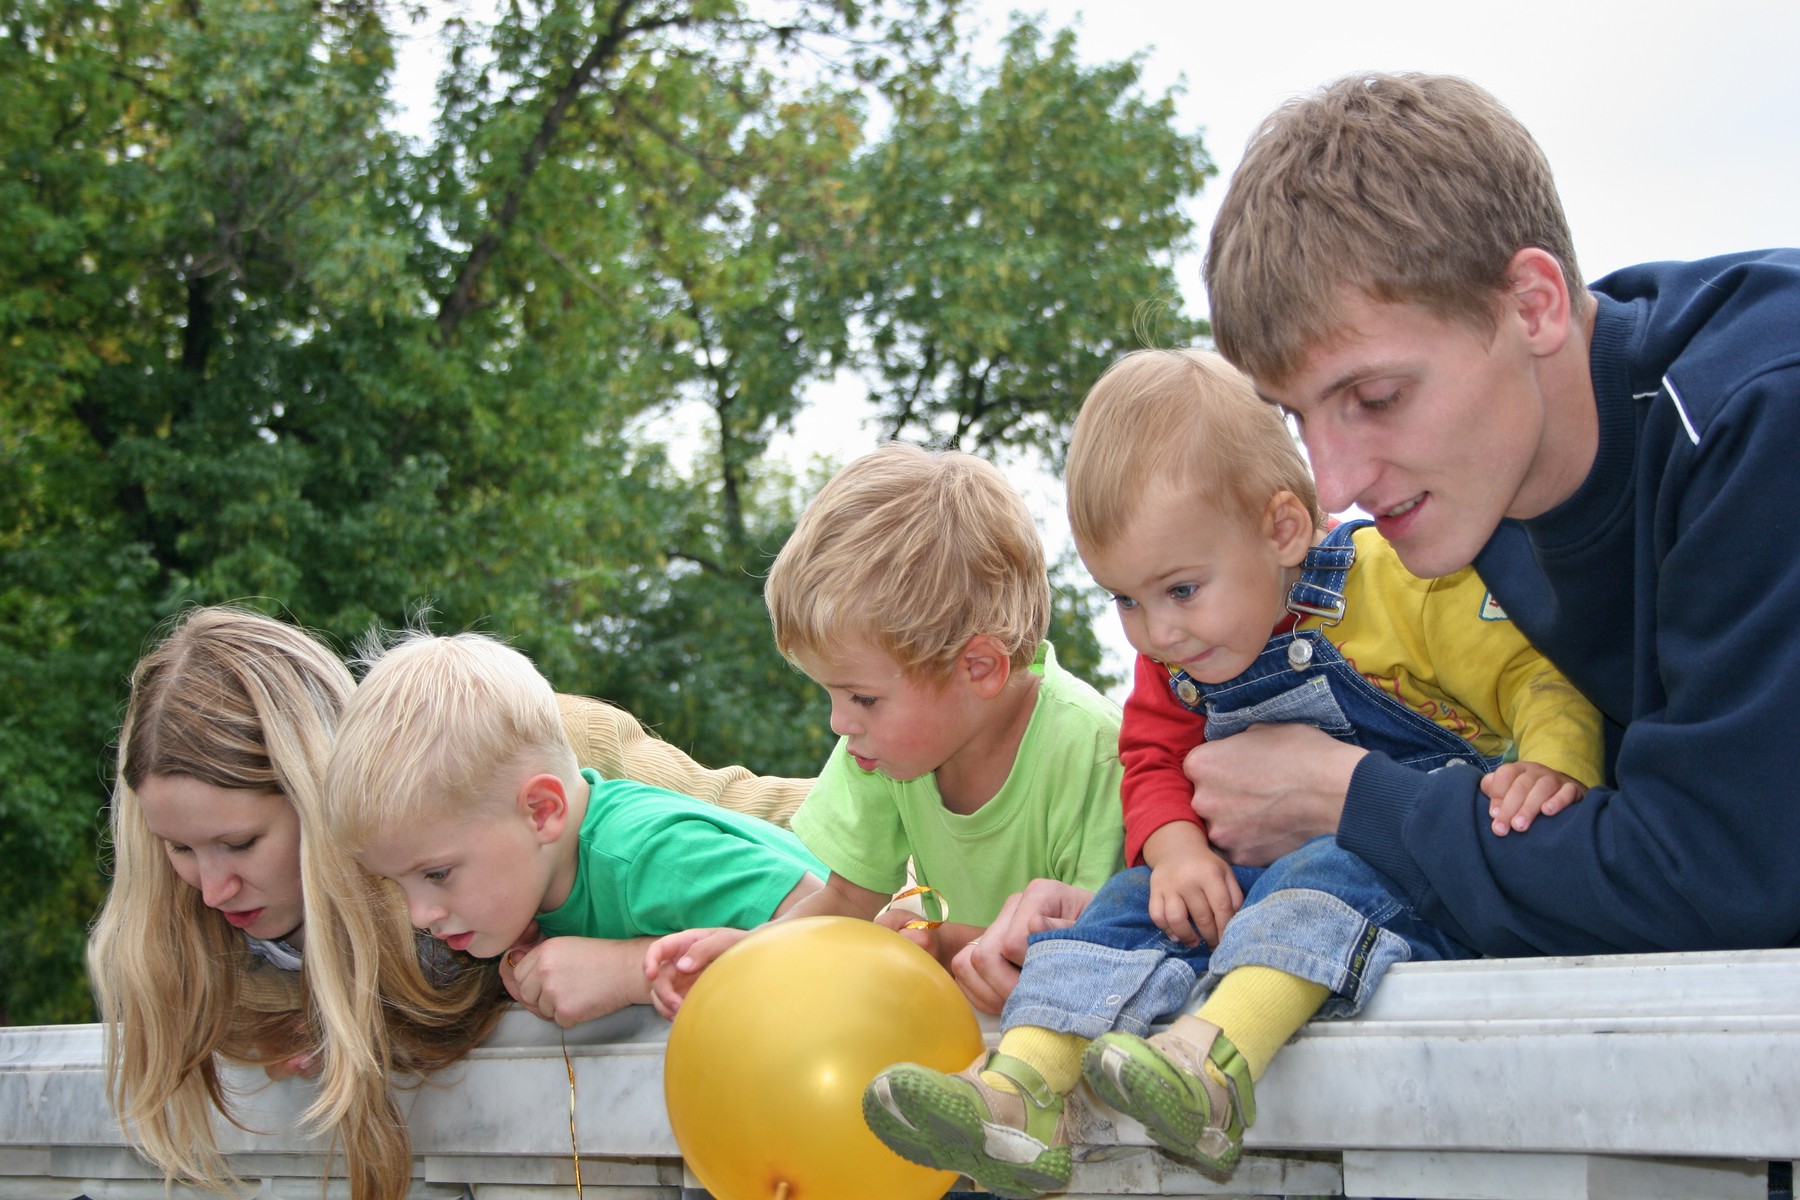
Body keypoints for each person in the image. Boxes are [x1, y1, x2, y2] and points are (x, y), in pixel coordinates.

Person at [862, 349, 1603, 1194]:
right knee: (1119, 902)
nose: (1155, 634)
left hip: (1399, 874)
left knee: (1328, 868)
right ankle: (1020, 1091)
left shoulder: (1400, 588)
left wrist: (1550, 762)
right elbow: (1148, 757)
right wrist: (1175, 848)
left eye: (1179, 589)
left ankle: (1215, 1065)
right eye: (1125, 601)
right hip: (1242, 878)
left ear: (1283, 530)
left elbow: (1535, 675)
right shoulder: (1182, 656)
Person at [1192, 71, 1800, 956]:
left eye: (1377, 395)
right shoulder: (1481, 489)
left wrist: (1354, 798)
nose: (1334, 485)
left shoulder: (1755, 418)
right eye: (1296, 415)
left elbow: (1721, 877)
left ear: (1533, 305)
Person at [87, 605, 812, 1200]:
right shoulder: (200, 938)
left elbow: (765, 835)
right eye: (179, 851)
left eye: (240, 844)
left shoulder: (490, 758)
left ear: (317, 799)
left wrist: (910, 788)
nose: (211, 889)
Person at [644, 443, 1127, 1015]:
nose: (839, 723)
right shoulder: (883, 749)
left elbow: (1112, 954)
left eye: (863, 698)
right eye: (831, 694)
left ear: (979, 669)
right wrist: (750, 956)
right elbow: (847, 900)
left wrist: (943, 943)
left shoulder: (1093, 753)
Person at [323, 629, 829, 1029]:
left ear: (542, 812)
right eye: (396, 883)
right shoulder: (544, 879)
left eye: (436, 874)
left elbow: (836, 939)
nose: (419, 915)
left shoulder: (650, 854)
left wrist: (629, 972)